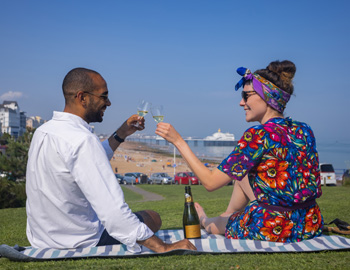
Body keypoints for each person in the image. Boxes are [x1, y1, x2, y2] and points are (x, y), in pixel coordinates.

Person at [26, 67, 196, 253]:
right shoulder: (82, 140)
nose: (109, 103)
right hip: (81, 239)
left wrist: (121, 133)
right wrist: (162, 246)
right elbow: (114, 212)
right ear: (82, 97)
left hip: (43, 238)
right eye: (103, 96)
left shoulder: (44, 132)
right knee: (153, 218)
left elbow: (89, 160)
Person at [156, 60, 324, 242]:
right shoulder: (304, 130)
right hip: (309, 222)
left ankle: (205, 220)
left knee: (215, 224)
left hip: (274, 227)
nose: (241, 102)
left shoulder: (258, 135)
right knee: (240, 172)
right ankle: (228, 214)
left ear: (267, 97)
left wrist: (178, 141)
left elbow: (210, 183)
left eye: (246, 95)